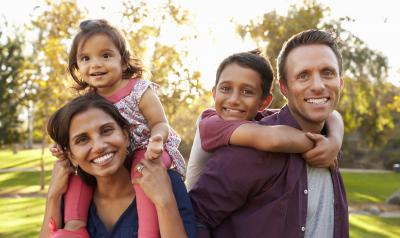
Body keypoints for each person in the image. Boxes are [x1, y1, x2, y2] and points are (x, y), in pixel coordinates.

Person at [189, 29, 349, 238]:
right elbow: (194, 218)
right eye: (303, 75)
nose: (318, 86)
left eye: (327, 73)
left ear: (340, 82)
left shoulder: (329, 140)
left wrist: (334, 141)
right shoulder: (249, 147)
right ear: (285, 88)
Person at [50, 19, 186, 238]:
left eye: (105, 55)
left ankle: (147, 232)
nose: (95, 64)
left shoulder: (139, 89)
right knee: (78, 174)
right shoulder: (89, 101)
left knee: (140, 173)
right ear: (78, 68)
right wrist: (61, 148)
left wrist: (157, 140)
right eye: (86, 58)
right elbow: (72, 133)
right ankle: (75, 228)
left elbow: (160, 123)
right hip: (117, 155)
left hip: (148, 149)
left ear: (123, 62)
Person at [40, 94, 196, 238]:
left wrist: (164, 202)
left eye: (106, 130)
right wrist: (53, 196)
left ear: (126, 136)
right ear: (71, 156)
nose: (99, 146)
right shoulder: (69, 199)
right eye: (82, 140)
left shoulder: (167, 183)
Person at [185, 50, 343, 191]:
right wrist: (322, 146)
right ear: (214, 93)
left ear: (264, 103)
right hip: (191, 214)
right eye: (226, 89)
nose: (233, 100)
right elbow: (274, 139)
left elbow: (332, 114)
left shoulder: (258, 117)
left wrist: (334, 141)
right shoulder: (211, 122)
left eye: (247, 92)